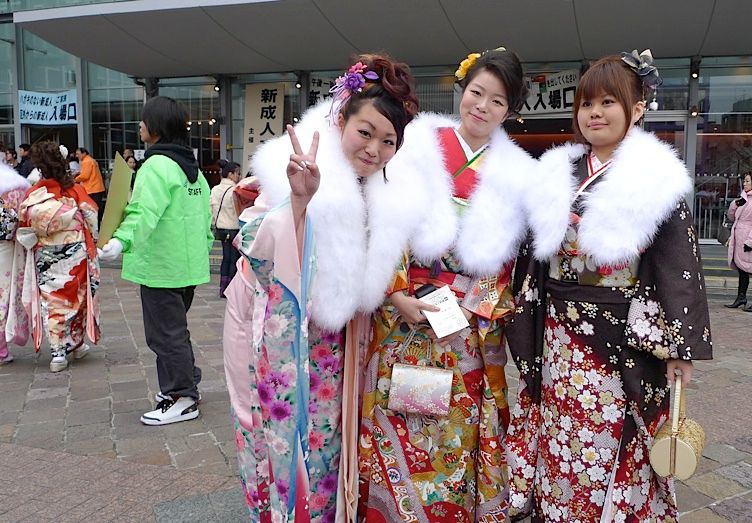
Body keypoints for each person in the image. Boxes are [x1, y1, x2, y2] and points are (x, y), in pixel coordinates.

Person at [506, 51, 714, 522]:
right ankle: (559, 509)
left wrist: (680, 347)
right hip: (560, 330)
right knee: (562, 427)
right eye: (586, 104)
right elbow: (532, 256)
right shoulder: (558, 171)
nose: (594, 113)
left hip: (623, 334)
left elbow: (678, 266)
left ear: (636, 109)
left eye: (607, 102)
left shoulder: (654, 178)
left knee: (614, 431)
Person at [225, 53, 421, 522]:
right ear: (341, 120)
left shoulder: (381, 189)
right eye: (365, 132)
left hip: (338, 342)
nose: (374, 149)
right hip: (281, 334)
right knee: (280, 436)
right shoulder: (302, 171)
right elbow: (255, 248)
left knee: (329, 443)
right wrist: (298, 201)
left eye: (388, 141)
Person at [357, 48, 535, 522]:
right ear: (462, 90)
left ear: (509, 110)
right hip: (404, 314)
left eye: (497, 101)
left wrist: (473, 311)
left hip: (467, 326)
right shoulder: (418, 145)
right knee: (400, 409)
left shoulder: (517, 173)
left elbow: (507, 263)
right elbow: (387, 219)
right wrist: (396, 292)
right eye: (476, 92)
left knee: (455, 428)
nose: (482, 106)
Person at [98, 96, 213, 426]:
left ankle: (181, 397)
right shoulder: (193, 171)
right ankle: (186, 384)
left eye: (144, 120)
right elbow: (204, 222)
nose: (140, 125)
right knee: (175, 332)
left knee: (165, 336)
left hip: (161, 267)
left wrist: (120, 240)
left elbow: (142, 212)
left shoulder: (156, 165)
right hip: (186, 267)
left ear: (157, 126)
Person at [17, 141, 100, 372]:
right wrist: (94, 239)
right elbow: (91, 217)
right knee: (77, 298)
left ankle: (58, 353)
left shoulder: (33, 193)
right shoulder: (74, 190)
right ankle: (74, 342)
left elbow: (24, 224)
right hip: (75, 252)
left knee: (52, 301)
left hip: (46, 253)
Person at [724, 171, 752, 312]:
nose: (744, 184)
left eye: (747, 181)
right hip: (739, 239)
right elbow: (732, 217)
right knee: (742, 269)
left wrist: (750, 242)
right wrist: (735, 204)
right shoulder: (744, 199)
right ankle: (741, 297)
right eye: (744, 181)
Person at [0, 163, 31, 365]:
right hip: (7, 246)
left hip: (6, 245)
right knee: (4, 294)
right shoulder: (15, 184)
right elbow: (20, 219)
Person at [210, 159, 241, 297]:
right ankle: (231, 289)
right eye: (237, 173)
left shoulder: (215, 189)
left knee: (226, 258)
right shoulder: (235, 190)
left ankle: (223, 288)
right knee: (234, 259)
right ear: (230, 174)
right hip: (234, 228)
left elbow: (211, 209)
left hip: (221, 228)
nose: (239, 176)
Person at [75, 147, 106, 217]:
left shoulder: (86, 161)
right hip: (96, 188)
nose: (77, 156)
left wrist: (75, 179)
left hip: (92, 188)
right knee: (97, 208)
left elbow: (84, 176)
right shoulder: (91, 160)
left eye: (78, 154)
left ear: (84, 153)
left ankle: (96, 223)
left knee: (92, 209)